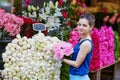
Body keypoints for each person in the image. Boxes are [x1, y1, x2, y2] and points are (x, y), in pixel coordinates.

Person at [62, 12, 95, 80]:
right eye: (79, 24)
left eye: (84, 25)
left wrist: (62, 59)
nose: (80, 27)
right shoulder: (82, 39)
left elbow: (77, 64)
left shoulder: (86, 44)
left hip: (79, 77)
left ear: (91, 27)